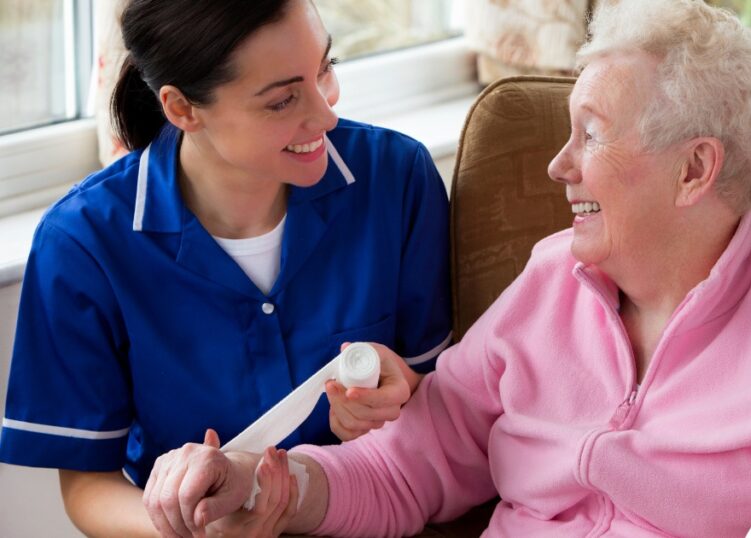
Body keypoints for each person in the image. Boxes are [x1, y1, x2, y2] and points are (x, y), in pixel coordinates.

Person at [148, 1, 751, 536]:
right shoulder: (549, 281)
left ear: (695, 169)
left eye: (590, 135)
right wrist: (270, 486)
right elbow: (408, 466)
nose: (559, 166)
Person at [0, 0, 452, 535]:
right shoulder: (82, 244)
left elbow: (448, 396)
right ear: (183, 108)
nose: (326, 114)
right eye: (283, 100)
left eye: (324, 69)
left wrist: (403, 392)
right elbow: (86, 488)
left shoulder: (396, 178)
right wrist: (196, 532)